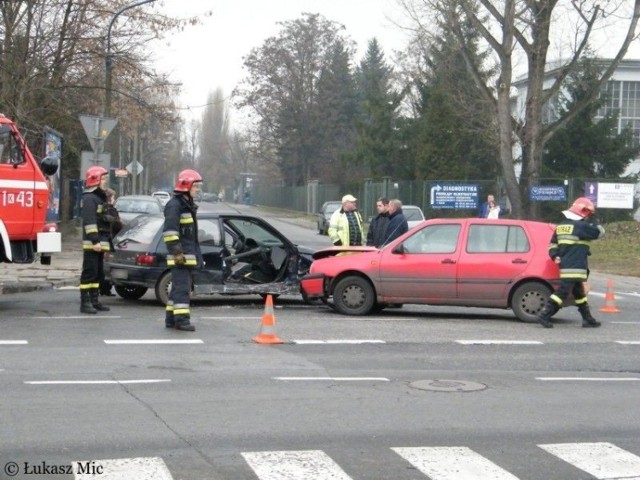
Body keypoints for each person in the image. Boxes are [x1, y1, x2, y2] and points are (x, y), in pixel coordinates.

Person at [536, 197, 605, 328]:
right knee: (562, 292)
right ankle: (544, 315)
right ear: (584, 212)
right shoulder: (580, 226)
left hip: (566, 265)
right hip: (576, 266)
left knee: (579, 293)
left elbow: (552, 244)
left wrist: (555, 255)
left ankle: (587, 319)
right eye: (588, 214)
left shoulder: (561, 226)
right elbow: (600, 232)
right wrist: (594, 220)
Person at [162, 169, 203, 332]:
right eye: (196, 186)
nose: (198, 189)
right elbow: (170, 232)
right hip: (180, 256)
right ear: (186, 185)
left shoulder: (186, 204)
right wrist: (177, 253)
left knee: (178, 289)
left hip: (185, 255)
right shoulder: (175, 205)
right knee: (182, 289)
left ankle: (171, 320)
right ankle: (182, 320)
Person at [79, 166, 112, 314]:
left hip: (100, 243)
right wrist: (94, 241)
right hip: (93, 244)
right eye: (103, 178)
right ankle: (85, 303)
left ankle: (94, 300)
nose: (105, 181)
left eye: (105, 178)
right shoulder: (89, 198)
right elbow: (90, 222)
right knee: (89, 272)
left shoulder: (99, 197)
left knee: (98, 273)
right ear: (95, 180)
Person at [99, 188, 123, 296]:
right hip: (109, 239)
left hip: (106, 239)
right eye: (113, 197)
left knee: (102, 265)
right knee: (104, 266)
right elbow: (117, 225)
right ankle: (104, 289)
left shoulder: (105, 209)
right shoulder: (110, 210)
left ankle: (104, 289)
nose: (114, 199)